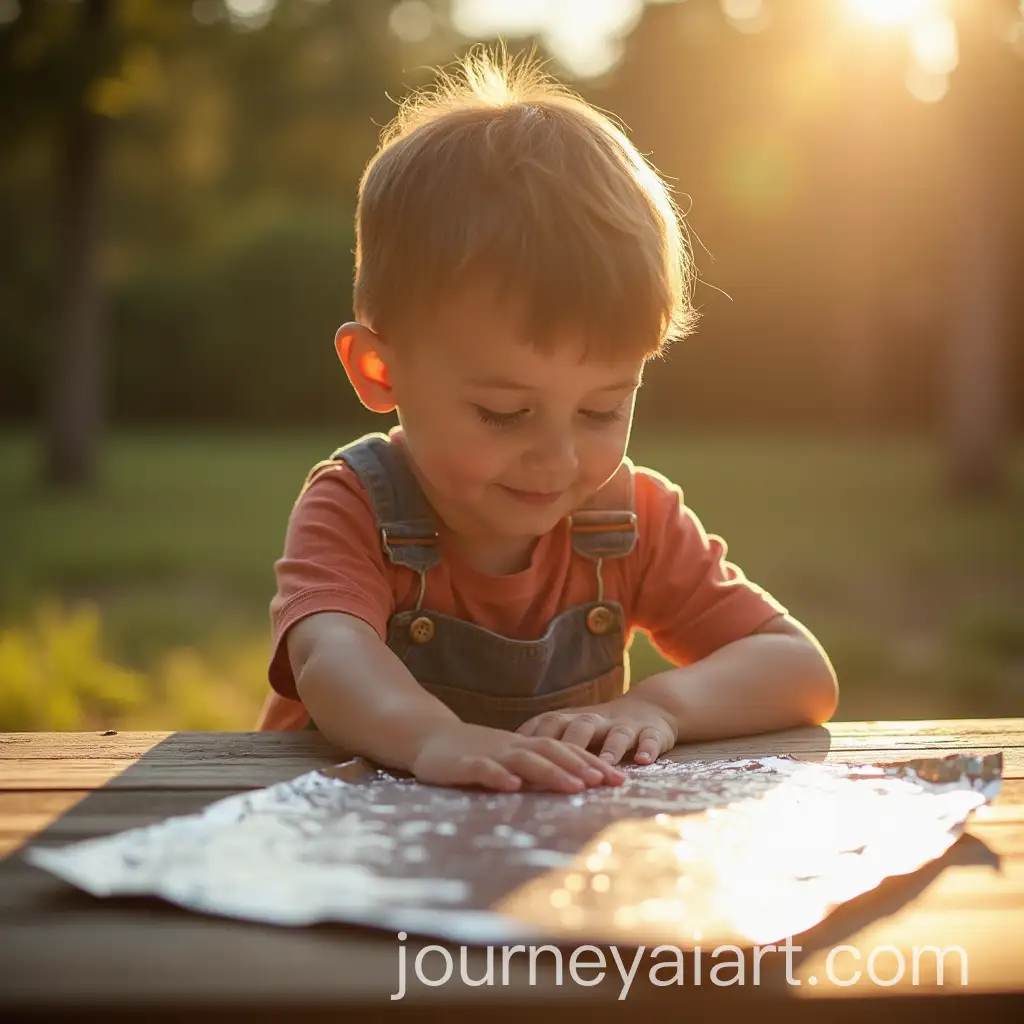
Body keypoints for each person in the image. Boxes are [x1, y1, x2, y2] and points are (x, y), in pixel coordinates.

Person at [256, 46, 838, 795]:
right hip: (337, 846)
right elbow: (329, 657)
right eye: (504, 413)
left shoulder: (632, 521)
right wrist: (433, 738)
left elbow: (799, 671)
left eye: (603, 408)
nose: (558, 457)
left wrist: (660, 704)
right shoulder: (355, 507)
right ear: (380, 371)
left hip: (534, 874)